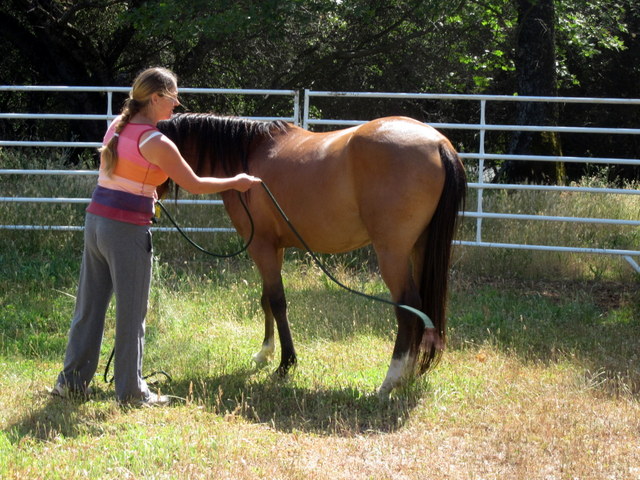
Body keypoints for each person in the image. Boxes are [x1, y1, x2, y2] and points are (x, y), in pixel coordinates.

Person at [51, 67, 261, 406]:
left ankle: (71, 382)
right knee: (132, 312)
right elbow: (194, 184)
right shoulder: (156, 141)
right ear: (155, 98)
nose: (177, 104)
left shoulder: (117, 128)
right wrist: (236, 181)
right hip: (126, 230)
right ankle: (131, 393)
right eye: (173, 97)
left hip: (96, 222)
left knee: (89, 307)